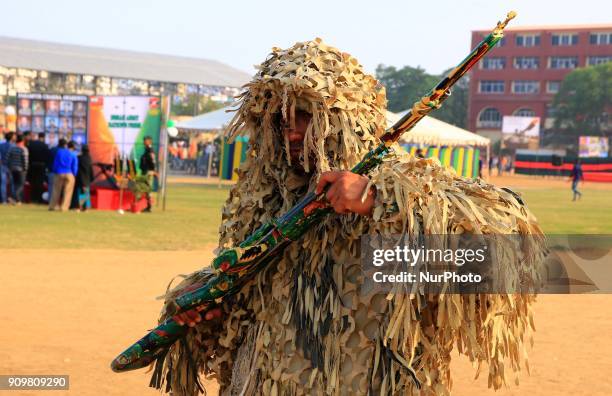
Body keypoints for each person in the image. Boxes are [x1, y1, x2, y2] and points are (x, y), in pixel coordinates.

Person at [153, 39, 545, 395]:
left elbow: (505, 260)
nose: (290, 132)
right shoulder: (261, 203)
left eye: (304, 115)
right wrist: (206, 308)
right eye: (279, 119)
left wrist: (380, 203)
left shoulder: (406, 189)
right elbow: (247, 312)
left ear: (343, 118)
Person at [49, 139, 77, 211]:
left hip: (59, 172)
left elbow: (55, 163)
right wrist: (74, 174)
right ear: (73, 147)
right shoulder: (73, 154)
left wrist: (55, 171)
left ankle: (53, 206)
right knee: (68, 191)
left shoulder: (60, 152)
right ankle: (64, 207)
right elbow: (74, 166)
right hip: (69, 172)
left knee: (56, 190)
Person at [27, 132, 50, 203]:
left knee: (33, 182)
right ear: (43, 137)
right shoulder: (45, 145)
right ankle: (39, 198)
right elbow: (47, 157)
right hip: (41, 166)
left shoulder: (31, 144)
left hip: (32, 165)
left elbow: (28, 156)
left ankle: (32, 198)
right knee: (40, 182)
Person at [71, 144, 94, 211]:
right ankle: (86, 207)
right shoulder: (89, 158)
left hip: (80, 177)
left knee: (80, 192)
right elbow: (91, 169)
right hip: (87, 178)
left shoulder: (79, 158)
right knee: (86, 192)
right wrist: (91, 178)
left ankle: (79, 206)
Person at [7, 135, 28, 204]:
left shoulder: (11, 148)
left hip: (13, 169)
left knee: (16, 184)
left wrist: (10, 167)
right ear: (22, 141)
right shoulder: (24, 149)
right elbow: (25, 160)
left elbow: (8, 158)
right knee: (21, 184)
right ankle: (14, 197)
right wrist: (25, 169)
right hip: (21, 169)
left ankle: (18, 200)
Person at [139, 136, 156, 212]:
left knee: (148, 189)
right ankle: (147, 206)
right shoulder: (146, 150)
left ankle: (149, 207)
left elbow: (153, 161)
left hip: (148, 172)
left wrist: (152, 170)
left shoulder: (150, 150)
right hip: (145, 171)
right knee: (146, 189)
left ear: (149, 141)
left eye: (145, 140)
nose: (144, 142)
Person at [0, 132, 16, 203]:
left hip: (3, 165)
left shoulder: (1, 145)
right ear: (11, 137)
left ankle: (3, 200)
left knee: (3, 183)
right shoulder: (13, 146)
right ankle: (12, 199)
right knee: (13, 183)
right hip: (12, 166)